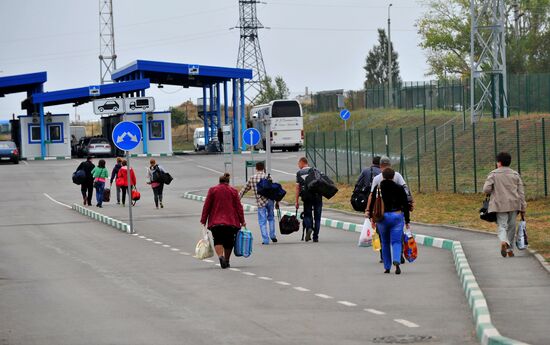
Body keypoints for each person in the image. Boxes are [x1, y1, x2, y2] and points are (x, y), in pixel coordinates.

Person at [483, 152, 526, 258]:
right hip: (514, 204)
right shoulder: (515, 174)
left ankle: (503, 241)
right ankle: (510, 249)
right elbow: (521, 192)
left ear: (499, 163)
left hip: (499, 204)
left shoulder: (493, 174)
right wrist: (523, 207)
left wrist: (493, 189)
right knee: (511, 226)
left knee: (502, 225)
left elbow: (486, 189)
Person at [368, 168, 410, 275]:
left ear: (382, 176)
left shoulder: (378, 188)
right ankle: (397, 261)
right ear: (393, 176)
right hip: (396, 216)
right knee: (396, 241)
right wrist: (407, 220)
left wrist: (371, 218)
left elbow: (372, 202)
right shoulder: (399, 188)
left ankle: (387, 267)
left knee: (385, 242)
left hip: (382, 218)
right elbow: (405, 204)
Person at [201, 173, 246, 269]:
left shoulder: (212, 190)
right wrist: (242, 221)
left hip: (216, 222)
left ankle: (220, 257)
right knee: (229, 241)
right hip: (231, 222)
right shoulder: (233, 191)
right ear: (228, 182)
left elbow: (207, 206)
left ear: (219, 181)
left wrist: (203, 220)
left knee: (218, 240)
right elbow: (239, 207)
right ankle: (227, 260)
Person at [239, 161, 277, 245]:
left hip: (260, 202)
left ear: (256, 168)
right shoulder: (268, 177)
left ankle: (265, 240)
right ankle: (273, 235)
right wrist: (277, 201)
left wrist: (238, 199)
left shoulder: (252, 178)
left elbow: (244, 189)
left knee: (262, 221)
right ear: (263, 168)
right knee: (271, 218)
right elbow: (274, 189)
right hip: (270, 200)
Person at [295, 157, 322, 242]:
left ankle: (309, 227)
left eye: (298, 164)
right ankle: (315, 237)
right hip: (317, 196)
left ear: (302, 162)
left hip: (306, 197)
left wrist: (296, 201)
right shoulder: (316, 170)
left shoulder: (299, 173)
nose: (298, 165)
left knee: (307, 215)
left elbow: (297, 188)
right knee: (317, 217)